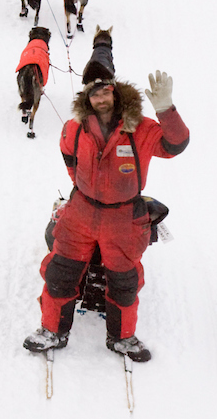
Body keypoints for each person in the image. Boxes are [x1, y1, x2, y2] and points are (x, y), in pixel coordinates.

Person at [23, 65, 189, 362]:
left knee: (125, 281)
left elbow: (175, 144)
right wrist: (87, 189)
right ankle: (52, 331)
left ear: (115, 92)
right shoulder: (75, 128)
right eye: (94, 94)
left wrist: (166, 109)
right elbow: (68, 156)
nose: (100, 98)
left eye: (105, 92)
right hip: (82, 213)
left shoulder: (141, 127)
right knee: (60, 272)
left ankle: (122, 337)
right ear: (87, 98)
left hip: (123, 218)